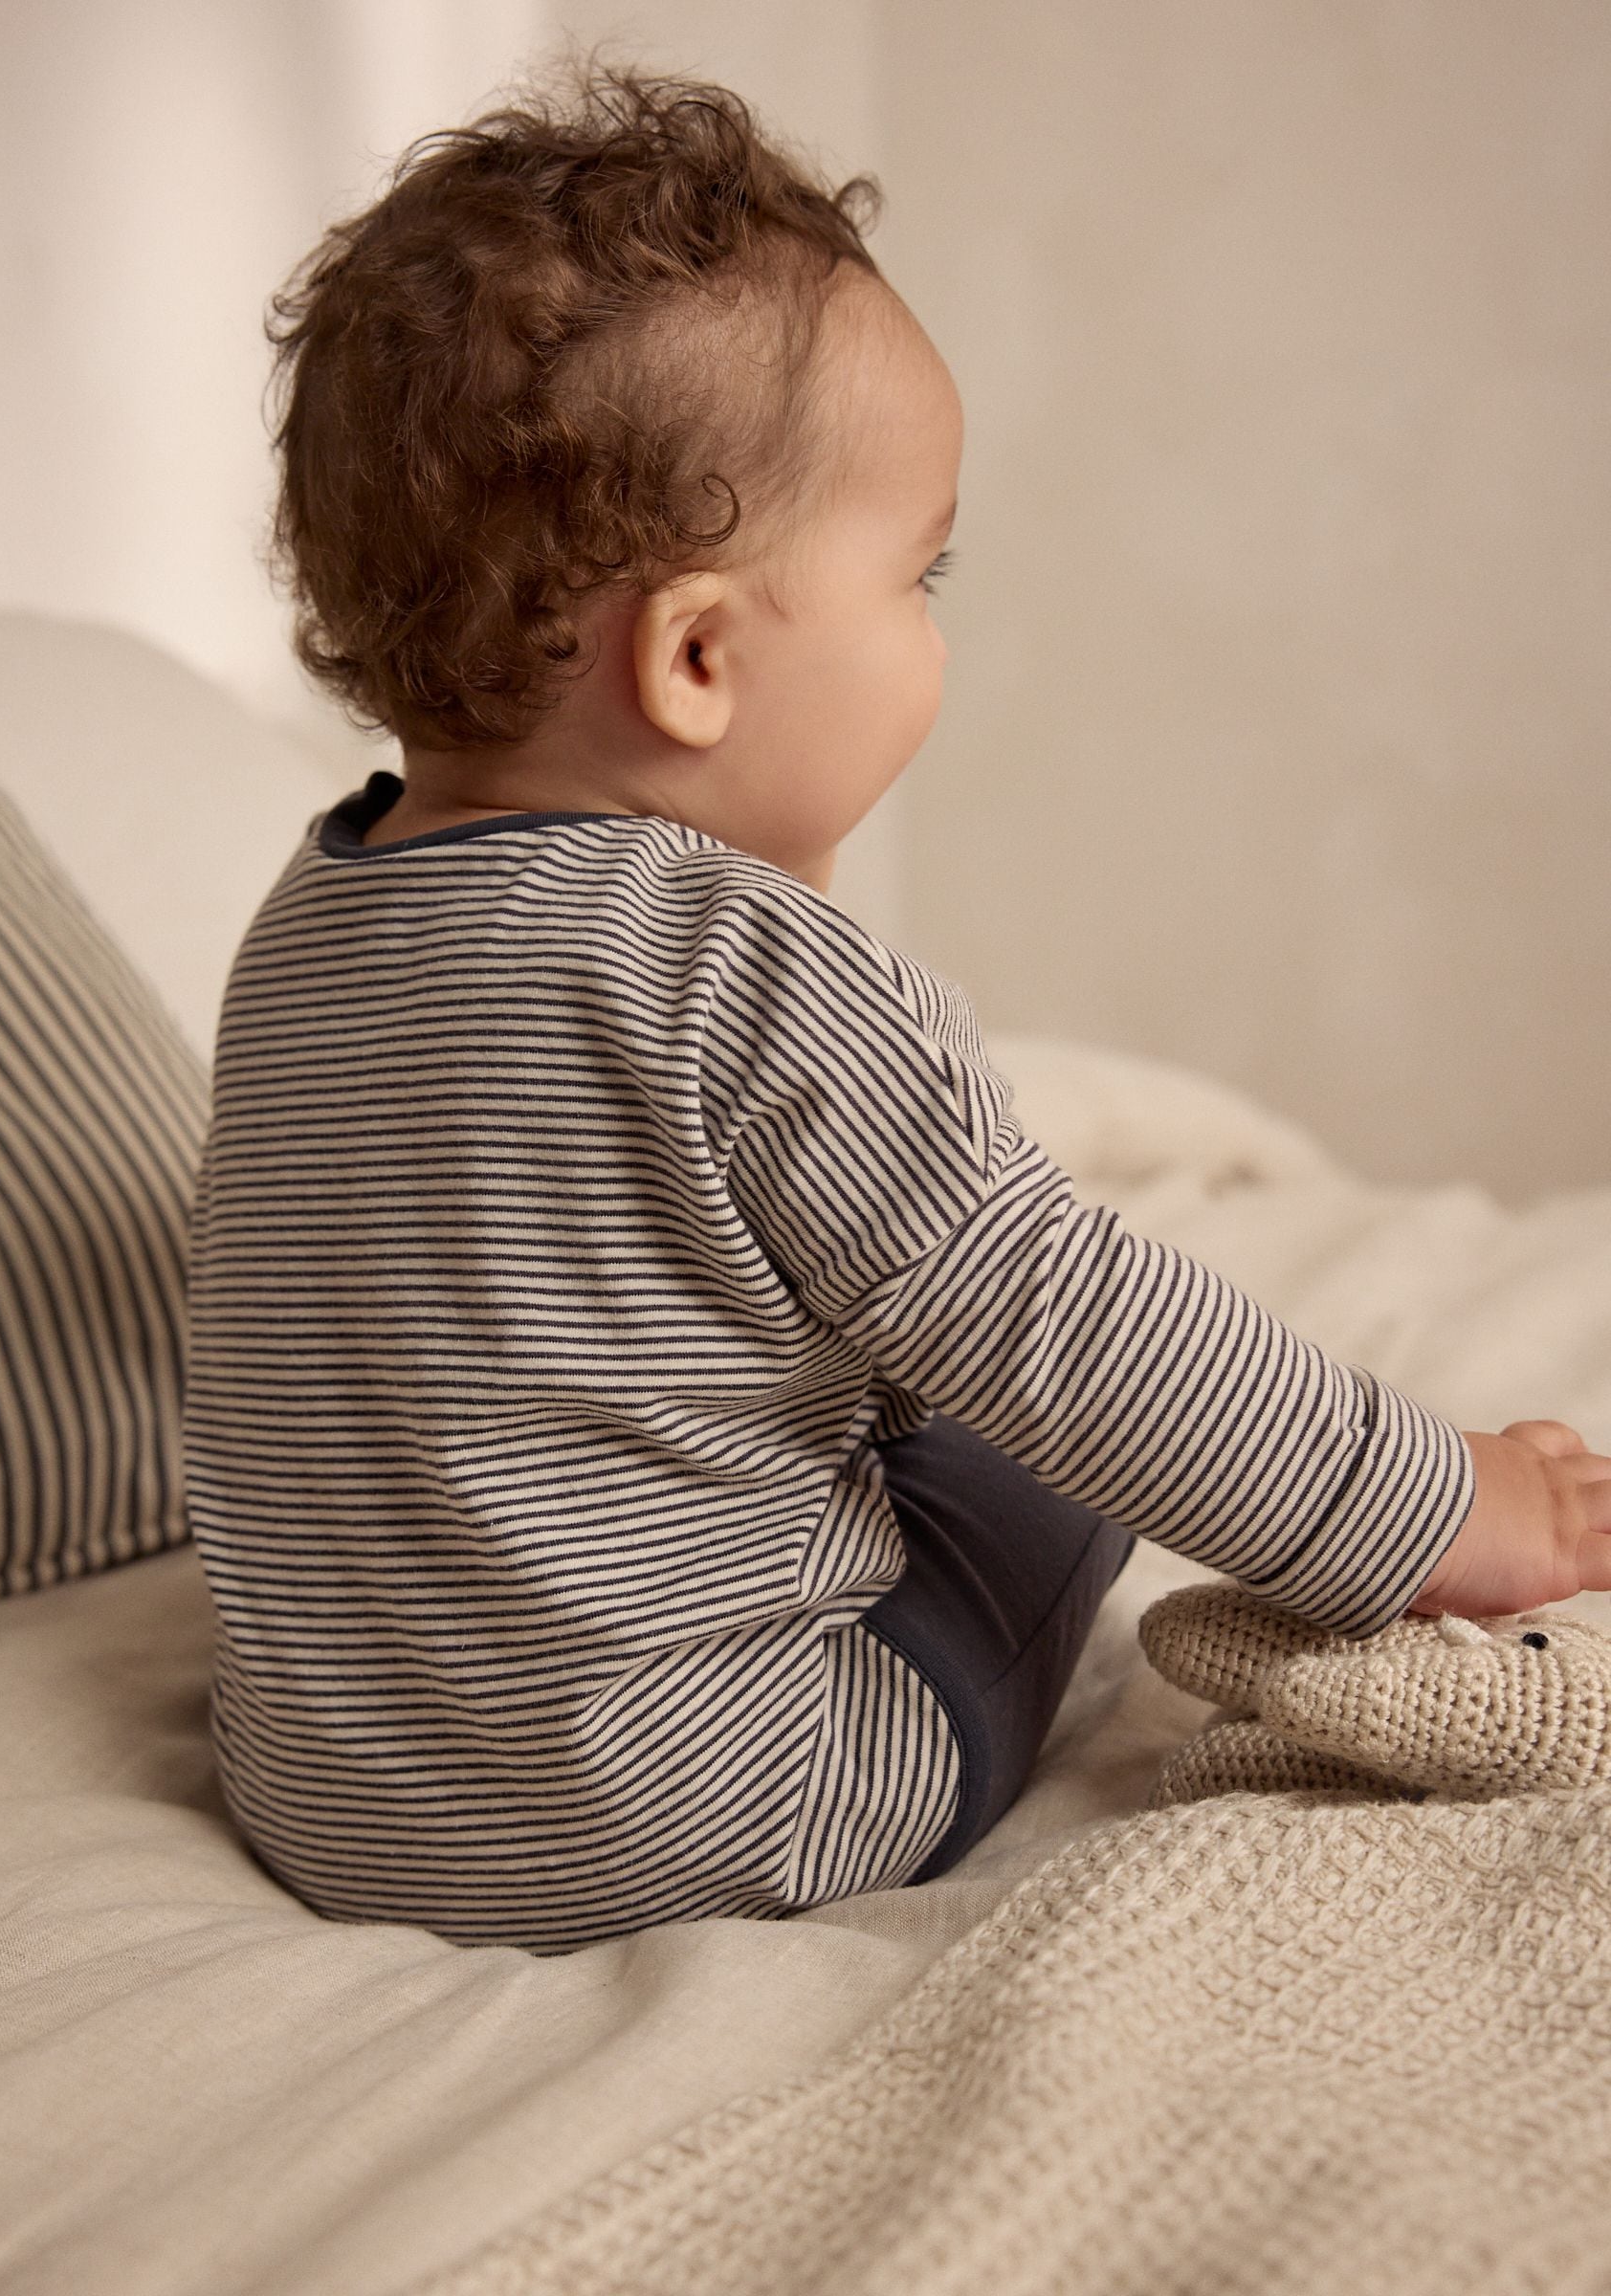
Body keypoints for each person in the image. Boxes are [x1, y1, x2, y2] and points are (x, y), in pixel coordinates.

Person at [181, 58, 1611, 1956]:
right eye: (917, 571)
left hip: (342, 1805)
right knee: (1043, 1438)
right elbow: (1070, 1329)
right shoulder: (737, 962)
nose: (937, 623)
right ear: (700, 657)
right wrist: (1455, 1507)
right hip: (713, 1803)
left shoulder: (308, 928)